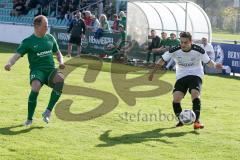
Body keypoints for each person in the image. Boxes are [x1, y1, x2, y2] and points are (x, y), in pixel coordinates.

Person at [148, 32, 222, 129]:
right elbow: (162, 60)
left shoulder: (198, 50)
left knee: (195, 94)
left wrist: (216, 65)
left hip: (196, 74)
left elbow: (208, 62)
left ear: (190, 42)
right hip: (181, 75)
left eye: (185, 42)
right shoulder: (174, 50)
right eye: (181, 42)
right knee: (176, 98)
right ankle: (181, 120)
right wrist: (153, 73)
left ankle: (197, 122)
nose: (183, 44)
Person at [4, 15, 65, 126]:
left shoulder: (50, 38)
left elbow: (58, 52)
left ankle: (48, 111)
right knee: (36, 87)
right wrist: (9, 63)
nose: (47, 28)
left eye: (47, 26)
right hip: (37, 71)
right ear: (37, 27)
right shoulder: (28, 41)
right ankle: (29, 119)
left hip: (50, 70)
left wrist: (61, 62)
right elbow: (17, 55)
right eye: (45, 26)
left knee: (60, 79)